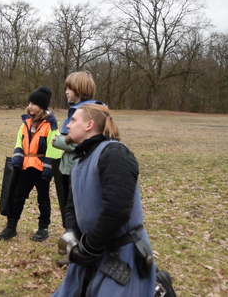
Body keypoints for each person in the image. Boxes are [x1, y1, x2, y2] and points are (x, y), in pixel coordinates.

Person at [53, 104, 158, 296]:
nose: (67, 125)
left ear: (89, 125)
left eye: (73, 120)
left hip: (122, 255)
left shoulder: (114, 153)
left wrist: (88, 247)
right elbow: (71, 207)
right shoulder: (78, 161)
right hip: (91, 254)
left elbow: (117, 209)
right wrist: (74, 240)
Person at [0, 87, 62, 242]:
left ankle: (43, 228)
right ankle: (11, 227)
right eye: (30, 102)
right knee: (17, 197)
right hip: (25, 167)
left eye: (35, 103)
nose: (30, 106)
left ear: (43, 107)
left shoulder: (50, 125)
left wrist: (48, 167)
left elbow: (54, 146)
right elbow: (20, 140)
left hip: (41, 169)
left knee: (43, 199)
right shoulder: (25, 122)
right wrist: (17, 158)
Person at [52, 71, 103, 266]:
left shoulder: (87, 111)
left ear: (79, 89)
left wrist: (57, 141)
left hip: (79, 168)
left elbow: (79, 142)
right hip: (69, 168)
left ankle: (80, 250)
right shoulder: (78, 109)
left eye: (69, 88)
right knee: (70, 208)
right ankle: (72, 246)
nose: (66, 92)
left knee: (77, 210)